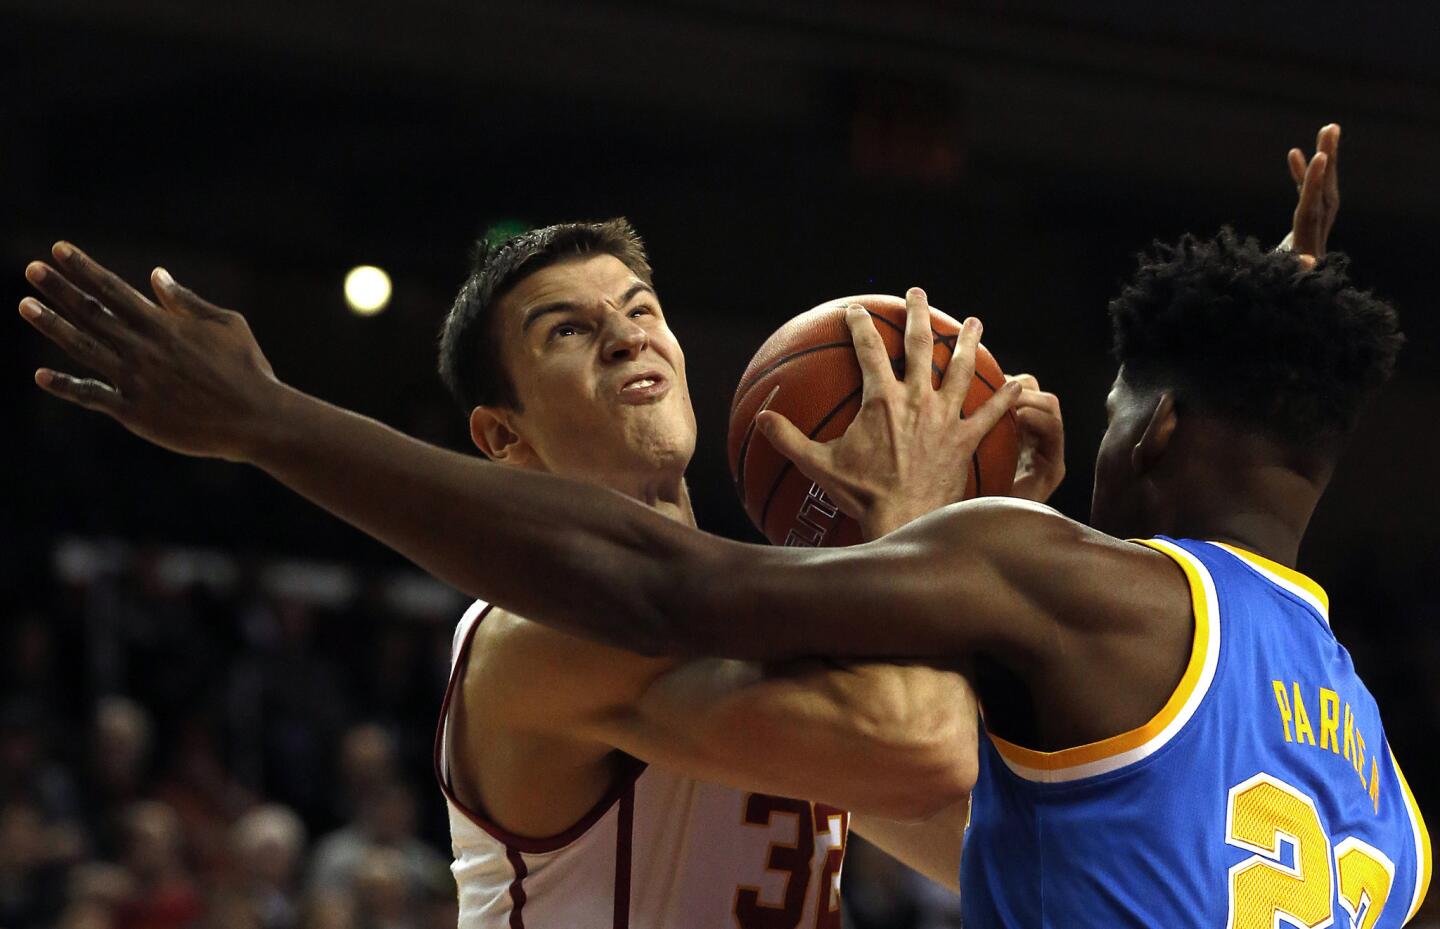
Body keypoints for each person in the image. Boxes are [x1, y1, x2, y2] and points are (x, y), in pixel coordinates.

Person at [24, 123, 1418, 928]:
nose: (632, 343)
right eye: (571, 334)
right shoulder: (533, 636)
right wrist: (955, 525)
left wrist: (1216, 381)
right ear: (502, 441)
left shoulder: (784, 627)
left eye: (642, 315)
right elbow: (913, 733)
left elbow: (1004, 813)